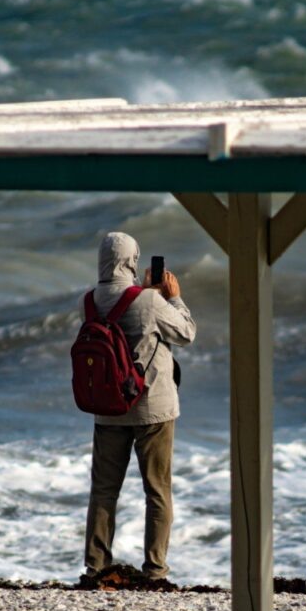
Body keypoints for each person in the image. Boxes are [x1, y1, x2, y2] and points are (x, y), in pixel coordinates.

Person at [82, 231, 196, 580]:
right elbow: (186, 333)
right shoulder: (147, 301)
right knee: (157, 491)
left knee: (104, 491)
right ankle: (155, 569)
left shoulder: (89, 301)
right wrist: (172, 298)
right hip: (153, 409)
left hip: (108, 407)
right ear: (132, 261)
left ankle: (95, 567)